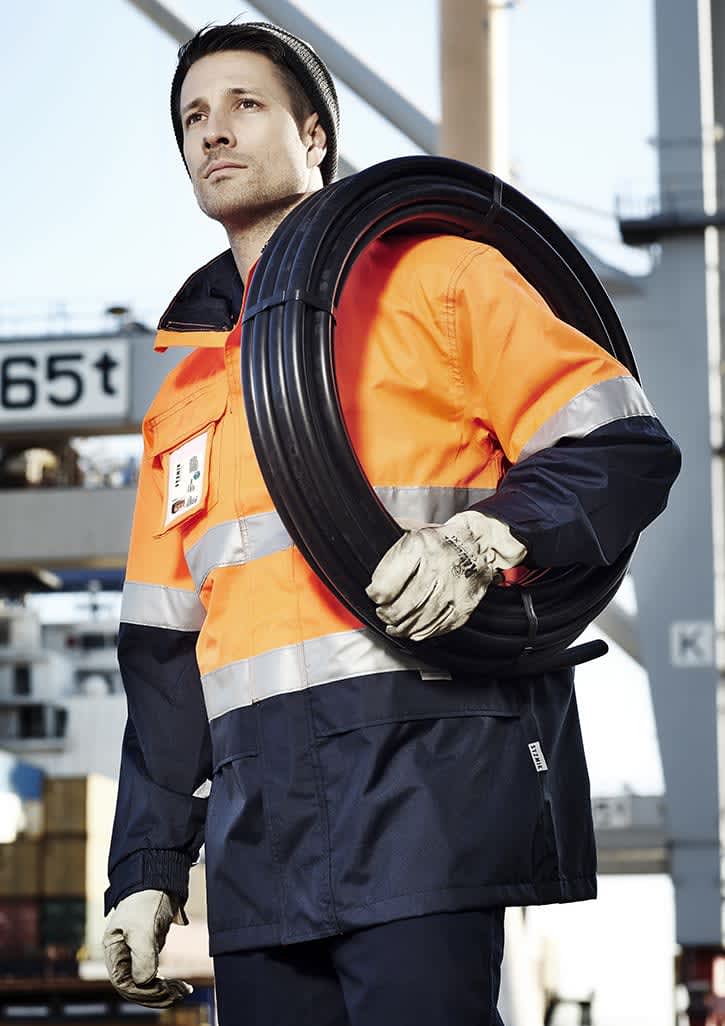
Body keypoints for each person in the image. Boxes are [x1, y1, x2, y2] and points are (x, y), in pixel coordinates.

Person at [102, 20, 681, 1025]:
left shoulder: (440, 282)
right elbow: (163, 654)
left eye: (244, 104)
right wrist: (145, 869)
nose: (213, 132)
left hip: (424, 792)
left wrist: (485, 539)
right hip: (257, 839)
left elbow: (621, 449)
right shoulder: (184, 395)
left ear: (314, 136)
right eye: (192, 117)